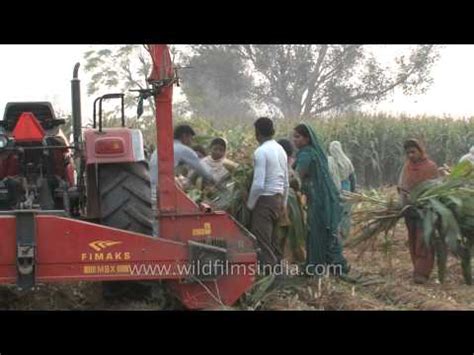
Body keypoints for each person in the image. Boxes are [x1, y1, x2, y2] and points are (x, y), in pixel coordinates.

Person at [293, 124, 349, 276]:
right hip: (323, 198)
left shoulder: (305, 154)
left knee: (316, 232)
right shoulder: (315, 153)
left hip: (317, 200)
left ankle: (315, 267)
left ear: (307, 138)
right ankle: (334, 265)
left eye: (297, 137)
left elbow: (297, 177)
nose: (294, 140)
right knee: (327, 231)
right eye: (294, 136)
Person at [247, 117, 289, 266]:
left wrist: (250, 205)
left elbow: (258, 184)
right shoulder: (281, 150)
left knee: (263, 241)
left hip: (265, 200)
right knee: (273, 241)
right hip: (278, 199)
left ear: (257, 133)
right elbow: (286, 182)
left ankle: (271, 277)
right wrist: (283, 203)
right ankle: (278, 271)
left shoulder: (261, 151)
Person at [398, 139, 440, 284]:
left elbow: (436, 189)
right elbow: (402, 185)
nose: (410, 155)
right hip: (410, 210)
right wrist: (403, 200)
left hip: (426, 210)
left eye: (413, 152)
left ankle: (422, 273)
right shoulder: (407, 167)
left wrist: (423, 199)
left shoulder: (430, 167)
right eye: (408, 152)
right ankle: (417, 268)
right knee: (413, 239)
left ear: (420, 151)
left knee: (424, 240)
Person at [276, 139, 305, 263]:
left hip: (284, 204)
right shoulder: (289, 164)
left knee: (281, 235)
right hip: (291, 205)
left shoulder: (279, 164)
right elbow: (297, 184)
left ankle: (281, 260)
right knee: (288, 234)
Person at [328, 141, 356, 240]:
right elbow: (352, 178)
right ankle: (345, 234)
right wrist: (353, 192)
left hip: (335, 189)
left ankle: (336, 233)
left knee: (336, 212)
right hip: (346, 188)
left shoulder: (329, 161)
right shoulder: (347, 161)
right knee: (346, 213)